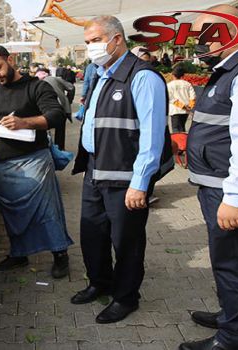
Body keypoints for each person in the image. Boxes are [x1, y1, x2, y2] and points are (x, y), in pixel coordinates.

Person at [70, 15, 173, 324]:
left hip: (125, 177)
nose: (91, 48)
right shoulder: (101, 74)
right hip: (95, 170)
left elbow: (152, 138)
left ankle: (126, 297)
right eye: (88, 42)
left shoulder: (143, 77)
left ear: (116, 39)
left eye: (95, 41)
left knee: (126, 241)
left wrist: (141, 183)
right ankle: (99, 282)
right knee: (92, 234)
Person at [179, 5, 238, 350]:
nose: (200, 43)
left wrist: (234, 198)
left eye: (206, 34)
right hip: (216, 184)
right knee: (228, 263)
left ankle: (233, 339)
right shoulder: (229, 68)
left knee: (234, 265)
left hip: (231, 191)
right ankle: (232, 314)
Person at [0, 45, 73, 278]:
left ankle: (60, 254)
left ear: (10, 60)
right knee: (12, 214)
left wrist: (24, 123)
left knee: (47, 210)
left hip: (35, 161)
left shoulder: (36, 87)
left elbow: (56, 116)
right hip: (2, 163)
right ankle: (19, 254)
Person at [42, 71, 75, 150]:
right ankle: (59, 149)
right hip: (60, 107)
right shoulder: (54, 79)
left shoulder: (34, 81)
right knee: (60, 130)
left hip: (45, 109)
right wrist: (68, 100)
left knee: (44, 130)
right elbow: (71, 87)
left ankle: (48, 148)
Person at [166, 65, 196, 133]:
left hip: (175, 110)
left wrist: (182, 106)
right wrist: (190, 106)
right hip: (186, 111)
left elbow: (170, 98)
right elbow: (193, 96)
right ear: (183, 75)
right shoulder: (188, 84)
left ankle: (178, 143)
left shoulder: (169, 85)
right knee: (182, 127)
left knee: (175, 129)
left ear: (173, 75)